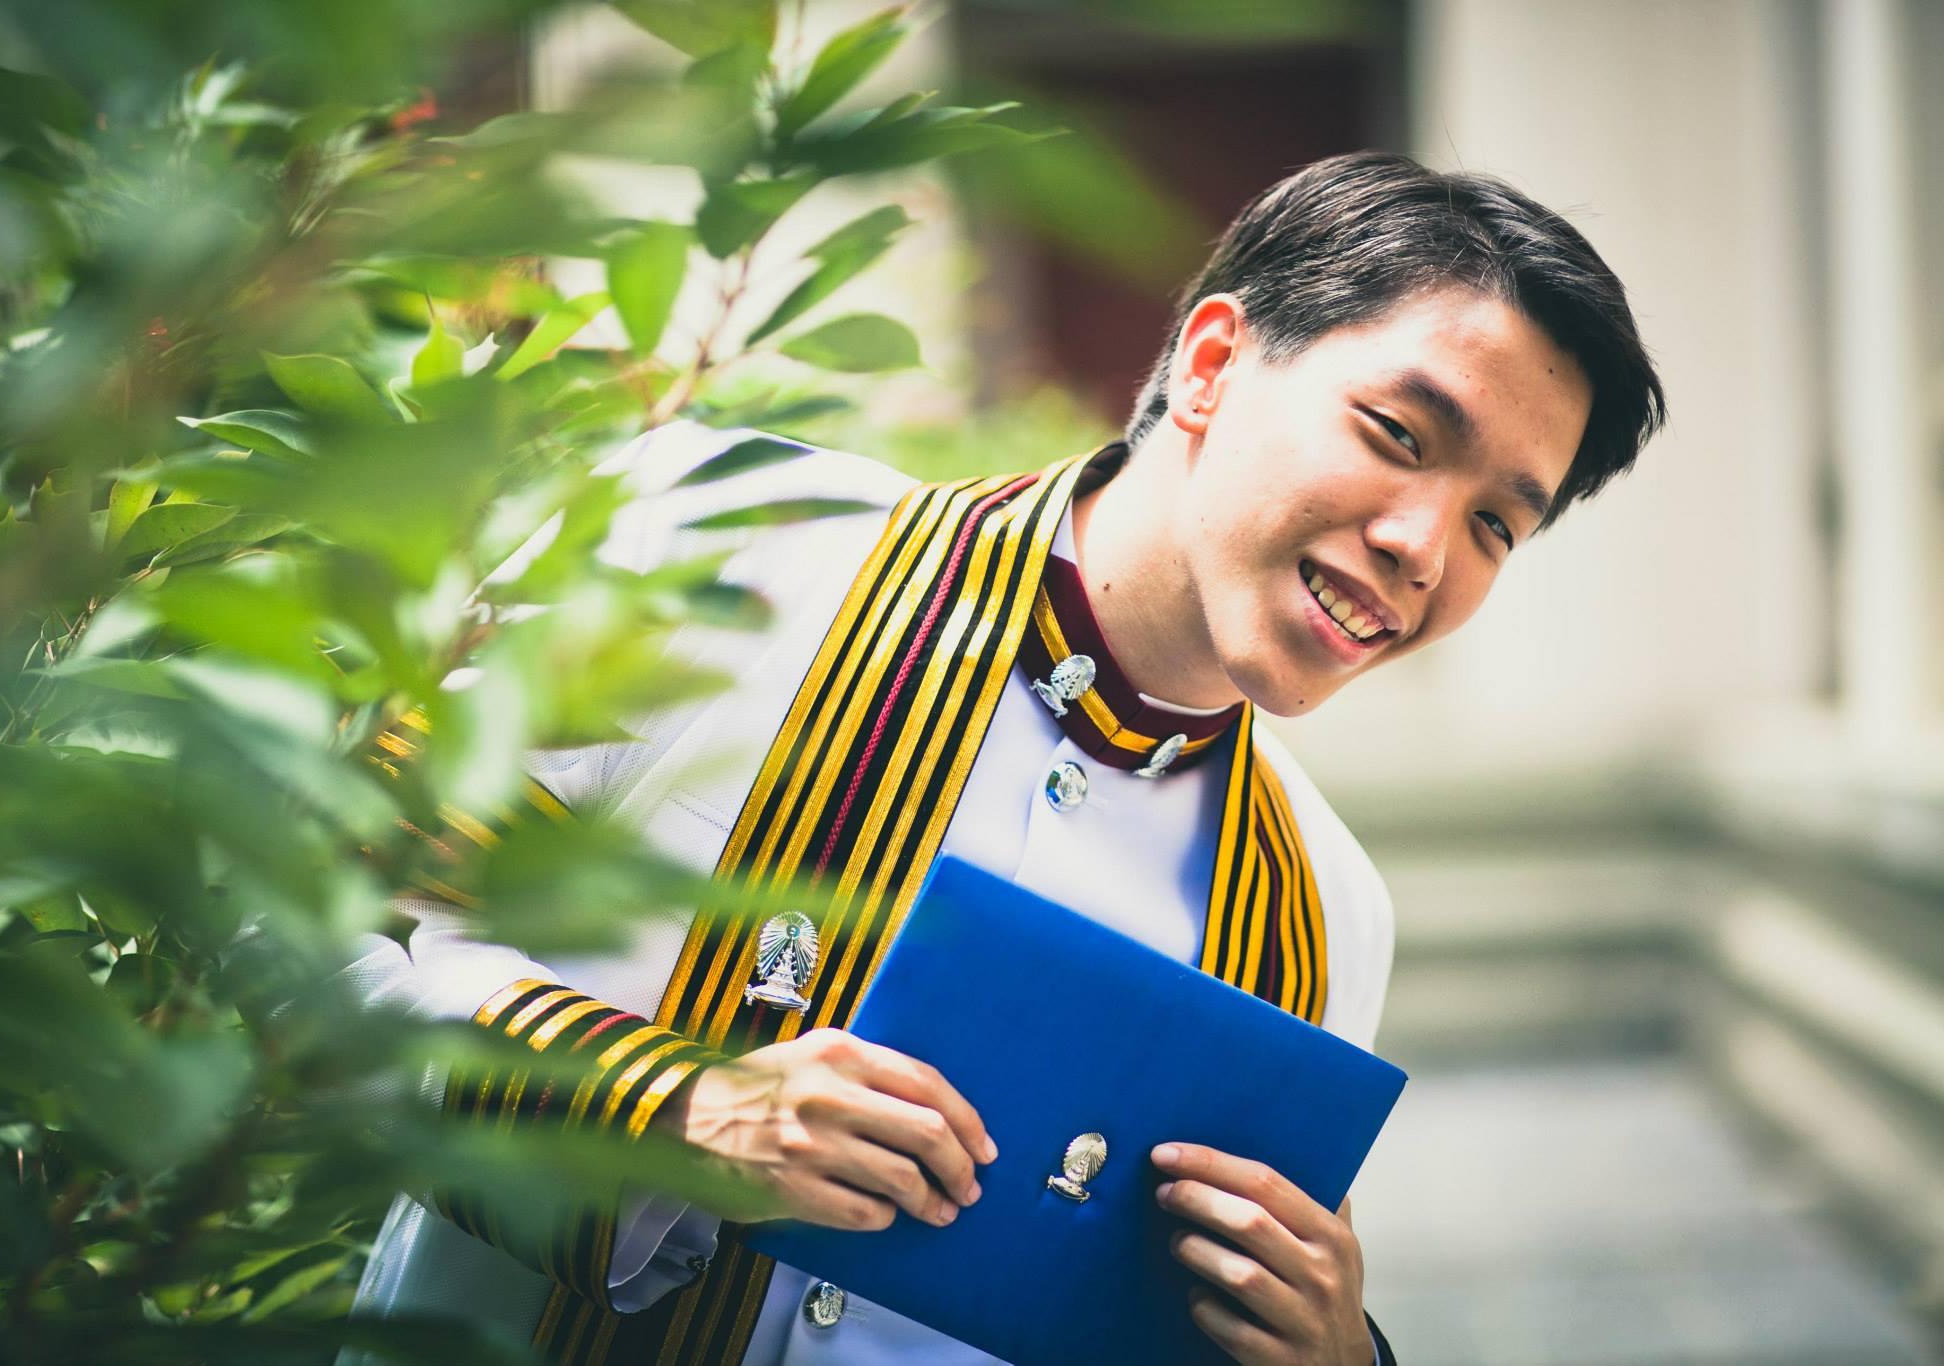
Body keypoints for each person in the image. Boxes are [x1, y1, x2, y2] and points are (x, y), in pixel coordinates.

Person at [339, 150, 1666, 1366]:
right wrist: (671, 1113)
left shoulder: (1327, 913)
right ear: (1209, 365)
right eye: (1398, 433)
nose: (1424, 548)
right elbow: (322, 924)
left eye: (1497, 522)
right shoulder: (721, 537)